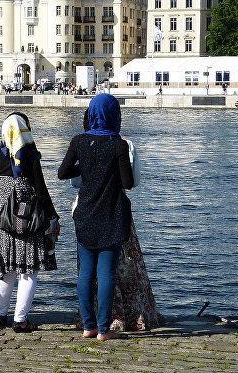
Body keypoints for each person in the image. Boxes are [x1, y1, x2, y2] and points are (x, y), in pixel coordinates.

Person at [58, 93, 161, 340]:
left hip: (85, 214)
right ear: (115, 115)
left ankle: (88, 326)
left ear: (91, 114)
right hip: (112, 214)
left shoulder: (78, 141)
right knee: (106, 273)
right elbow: (127, 182)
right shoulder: (118, 144)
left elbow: (63, 173)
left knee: (85, 273)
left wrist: (87, 167)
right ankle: (104, 330)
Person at [0, 112, 59, 333]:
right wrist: (53, 217)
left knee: (6, 271)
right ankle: (20, 319)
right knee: (28, 271)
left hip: (2, 221)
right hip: (28, 220)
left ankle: (1, 314)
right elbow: (42, 192)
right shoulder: (30, 157)